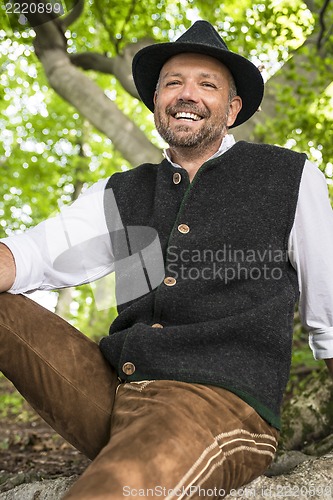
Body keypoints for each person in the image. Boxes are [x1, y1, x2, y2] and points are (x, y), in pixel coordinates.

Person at [0, 20, 333, 499]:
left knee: (111, 491)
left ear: (233, 107)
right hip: (112, 390)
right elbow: (31, 253)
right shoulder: (122, 191)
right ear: (156, 101)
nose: (186, 94)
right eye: (173, 83)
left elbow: (329, 317)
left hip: (220, 405)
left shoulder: (290, 177)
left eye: (206, 84)